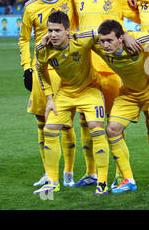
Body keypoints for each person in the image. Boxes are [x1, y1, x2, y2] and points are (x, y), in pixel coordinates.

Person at [70, 0, 140, 189]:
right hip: (85, 70)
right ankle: (92, 172)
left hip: (111, 70)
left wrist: (127, 33)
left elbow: (142, 15)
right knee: (86, 121)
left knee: (113, 123)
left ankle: (122, 175)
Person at [33, 11, 109, 195]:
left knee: (96, 129)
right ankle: (52, 181)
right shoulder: (43, 48)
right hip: (65, 92)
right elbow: (40, 70)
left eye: (58, 30)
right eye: (50, 30)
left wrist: (128, 36)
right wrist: (49, 98)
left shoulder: (83, 37)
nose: (53, 35)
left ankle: (102, 181)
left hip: (90, 90)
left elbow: (107, 34)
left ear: (68, 30)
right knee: (49, 130)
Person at [94, 19, 149, 195]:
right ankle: (127, 179)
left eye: (109, 41)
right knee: (112, 130)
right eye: (102, 41)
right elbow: (76, 35)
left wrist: (129, 35)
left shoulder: (140, 41)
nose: (105, 45)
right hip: (128, 95)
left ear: (120, 38)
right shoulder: (97, 46)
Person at [18, 0, 77, 188]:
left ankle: (68, 174)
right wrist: (26, 67)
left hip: (65, 69)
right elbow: (24, 39)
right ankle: (48, 172)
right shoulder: (31, 7)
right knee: (42, 121)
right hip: (40, 69)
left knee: (65, 123)